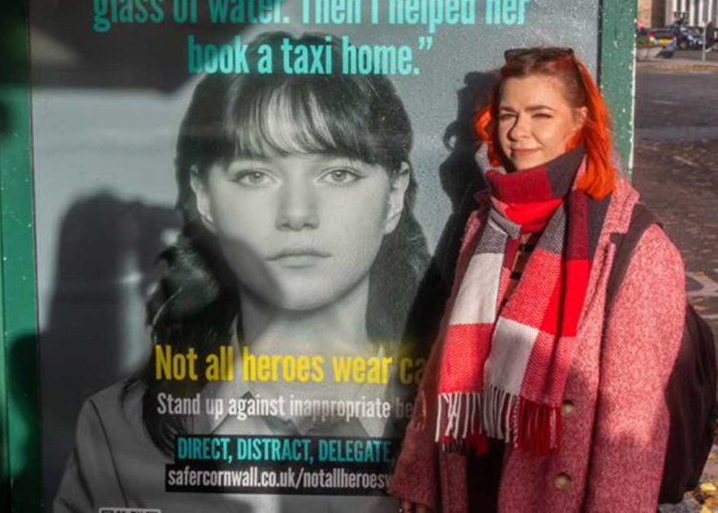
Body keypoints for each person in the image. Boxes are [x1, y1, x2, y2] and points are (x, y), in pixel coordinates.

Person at [55, 31, 436, 513]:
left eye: (337, 173)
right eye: (255, 174)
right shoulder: (119, 431)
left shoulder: (458, 426)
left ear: (395, 194)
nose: (297, 214)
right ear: (204, 196)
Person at [391, 46, 687, 512]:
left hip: (553, 491)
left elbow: (631, 429)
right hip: (475, 477)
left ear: (579, 121)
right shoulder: (490, 220)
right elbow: (449, 360)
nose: (518, 132)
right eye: (508, 114)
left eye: (540, 114)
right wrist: (423, 478)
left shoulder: (632, 245)